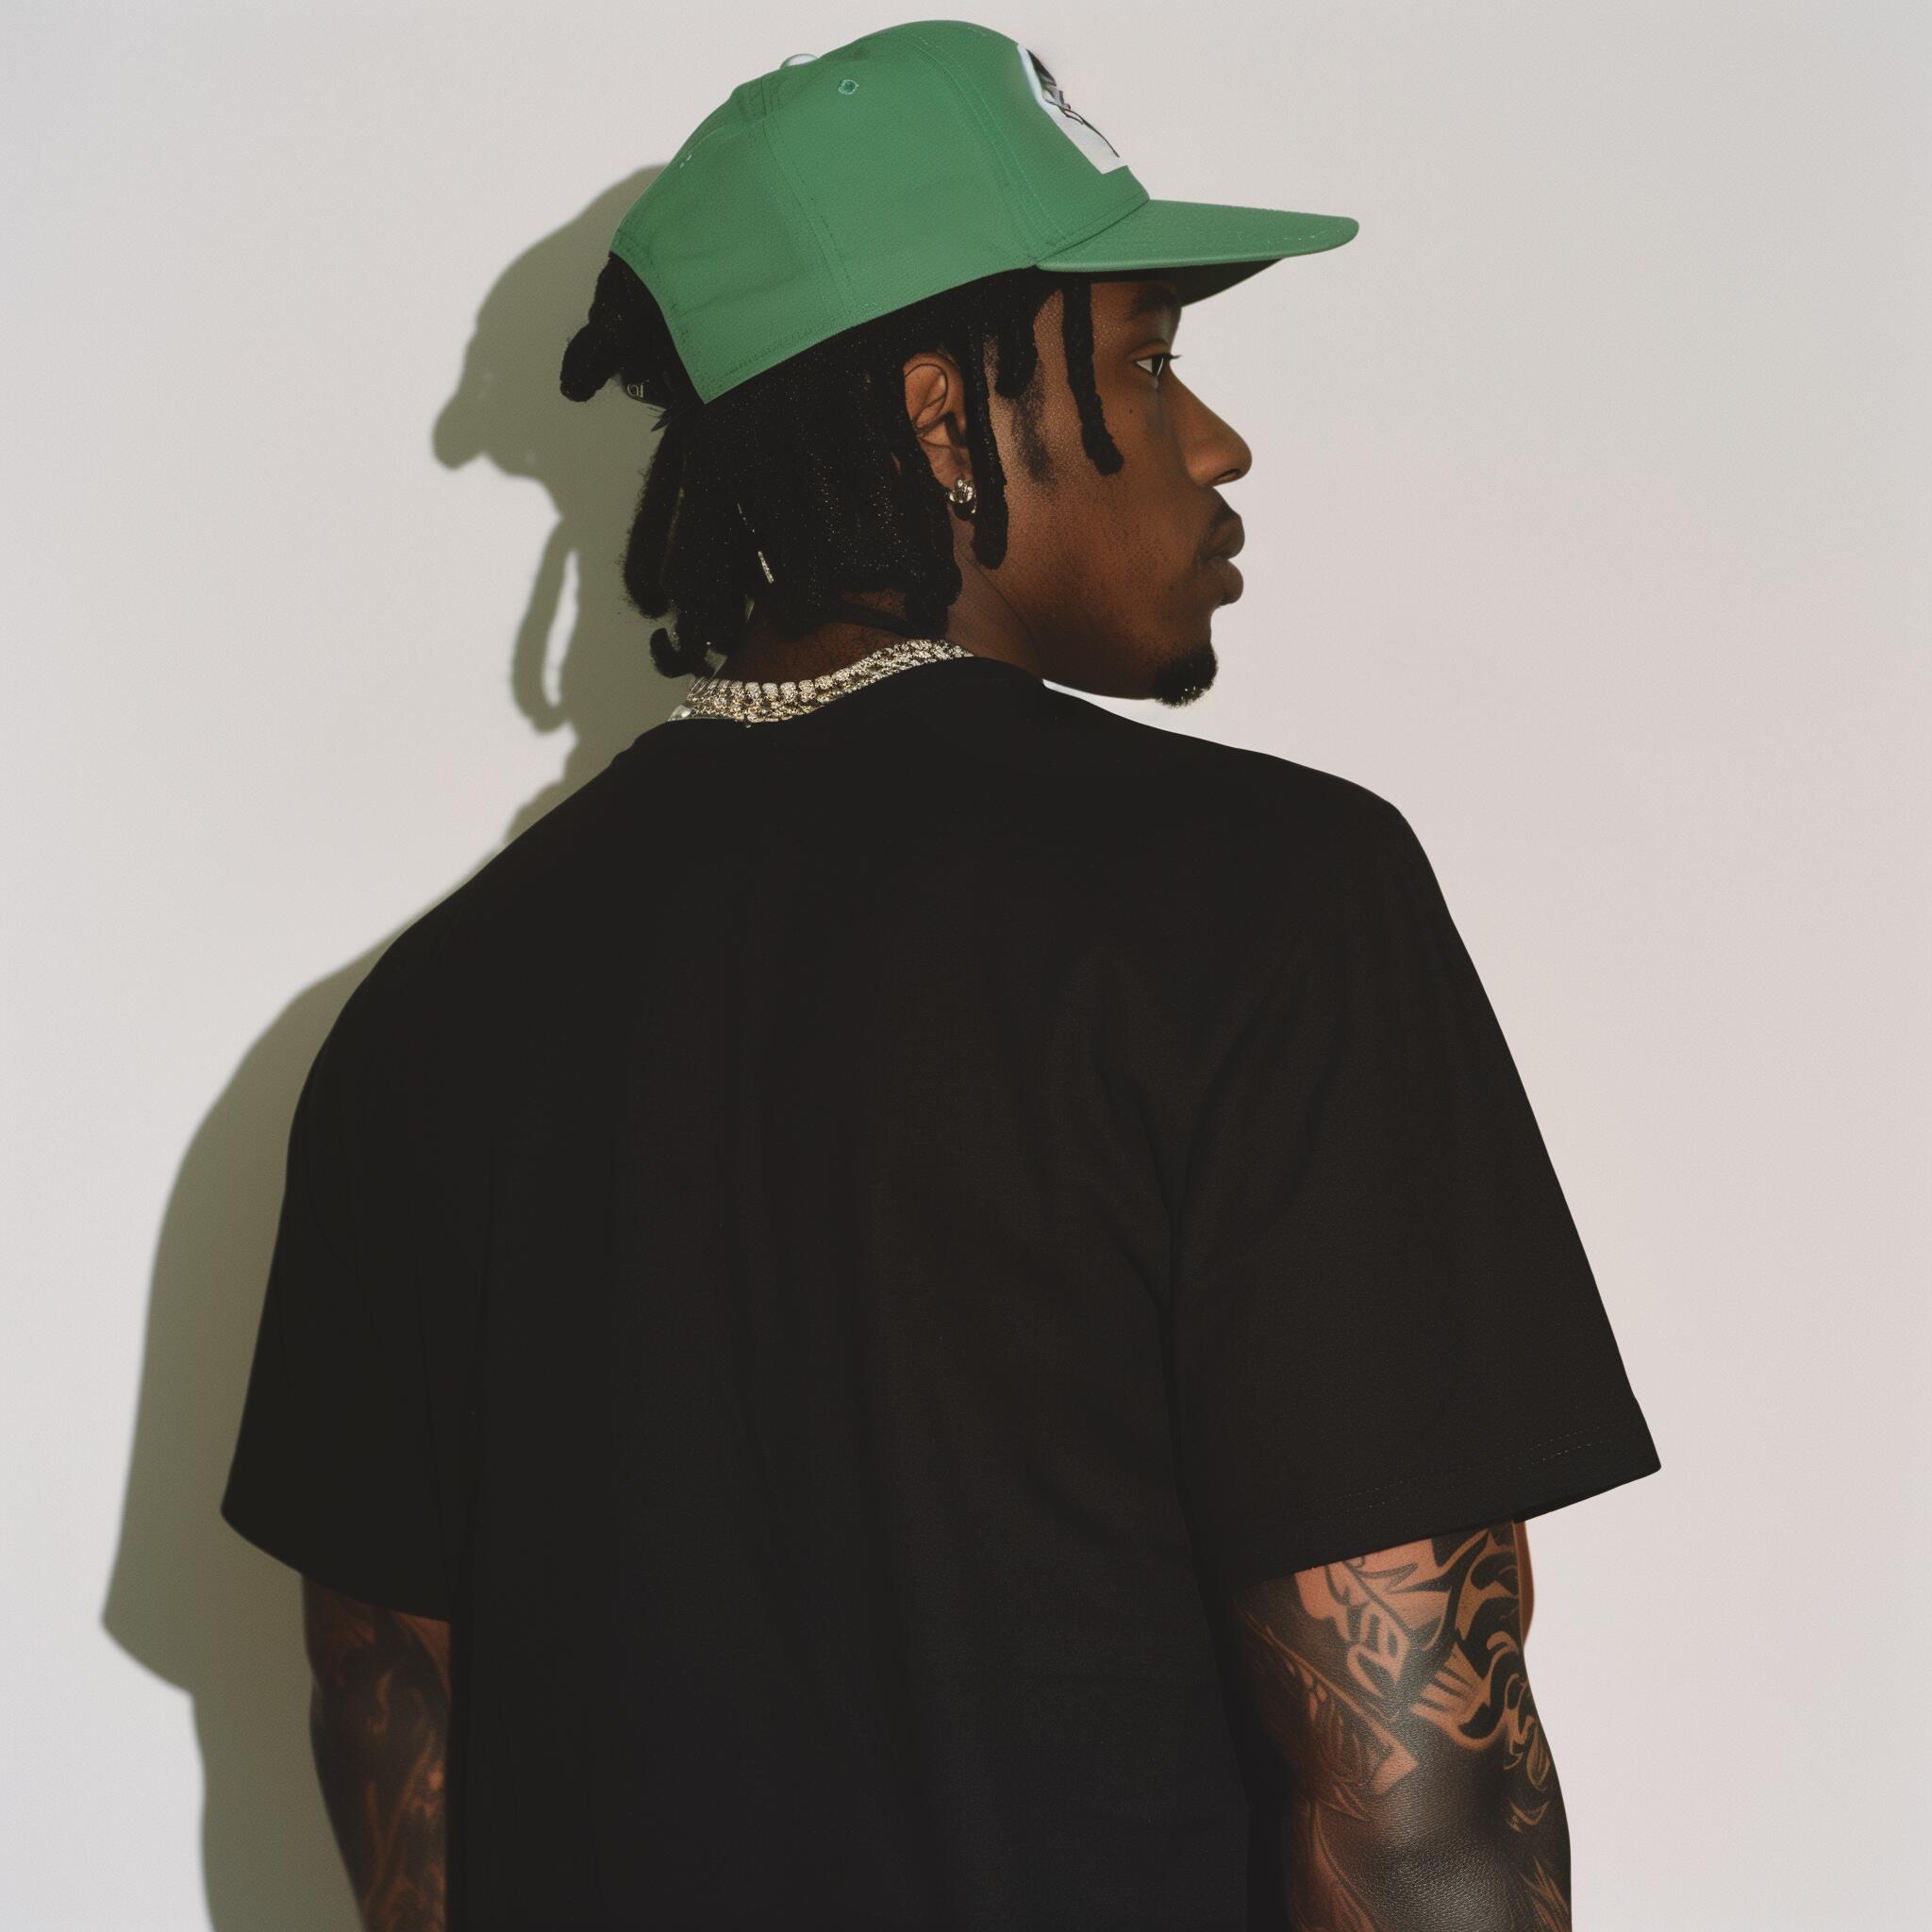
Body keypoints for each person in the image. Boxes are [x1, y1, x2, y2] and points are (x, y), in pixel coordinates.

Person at [222, 19, 1661, 1930]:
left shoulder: (431, 1016)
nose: (1212, 438)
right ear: (936, 416)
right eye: (1147, 356)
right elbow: (1413, 1806)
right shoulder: (1266, 905)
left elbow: (391, 1714)